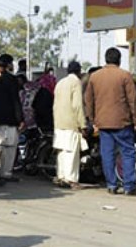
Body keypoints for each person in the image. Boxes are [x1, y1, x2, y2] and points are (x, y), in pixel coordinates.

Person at [83, 48, 136, 196]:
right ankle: (129, 186)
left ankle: (111, 185)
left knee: (107, 154)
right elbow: (133, 100)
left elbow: (88, 100)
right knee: (128, 153)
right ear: (119, 59)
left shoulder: (95, 77)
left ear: (105, 59)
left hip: (103, 122)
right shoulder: (125, 75)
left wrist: (92, 119)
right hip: (122, 122)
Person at [0, 58, 25, 182]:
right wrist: (20, 118)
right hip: (7, 119)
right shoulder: (11, 80)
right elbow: (15, 100)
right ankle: (5, 172)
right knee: (7, 148)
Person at [52, 61, 85, 189]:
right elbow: (77, 105)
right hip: (71, 122)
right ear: (79, 71)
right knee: (71, 153)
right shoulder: (76, 82)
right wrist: (82, 124)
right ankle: (71, 180)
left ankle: (61, 177)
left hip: (59, 122)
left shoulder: (60, 83)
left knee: (61, 152)